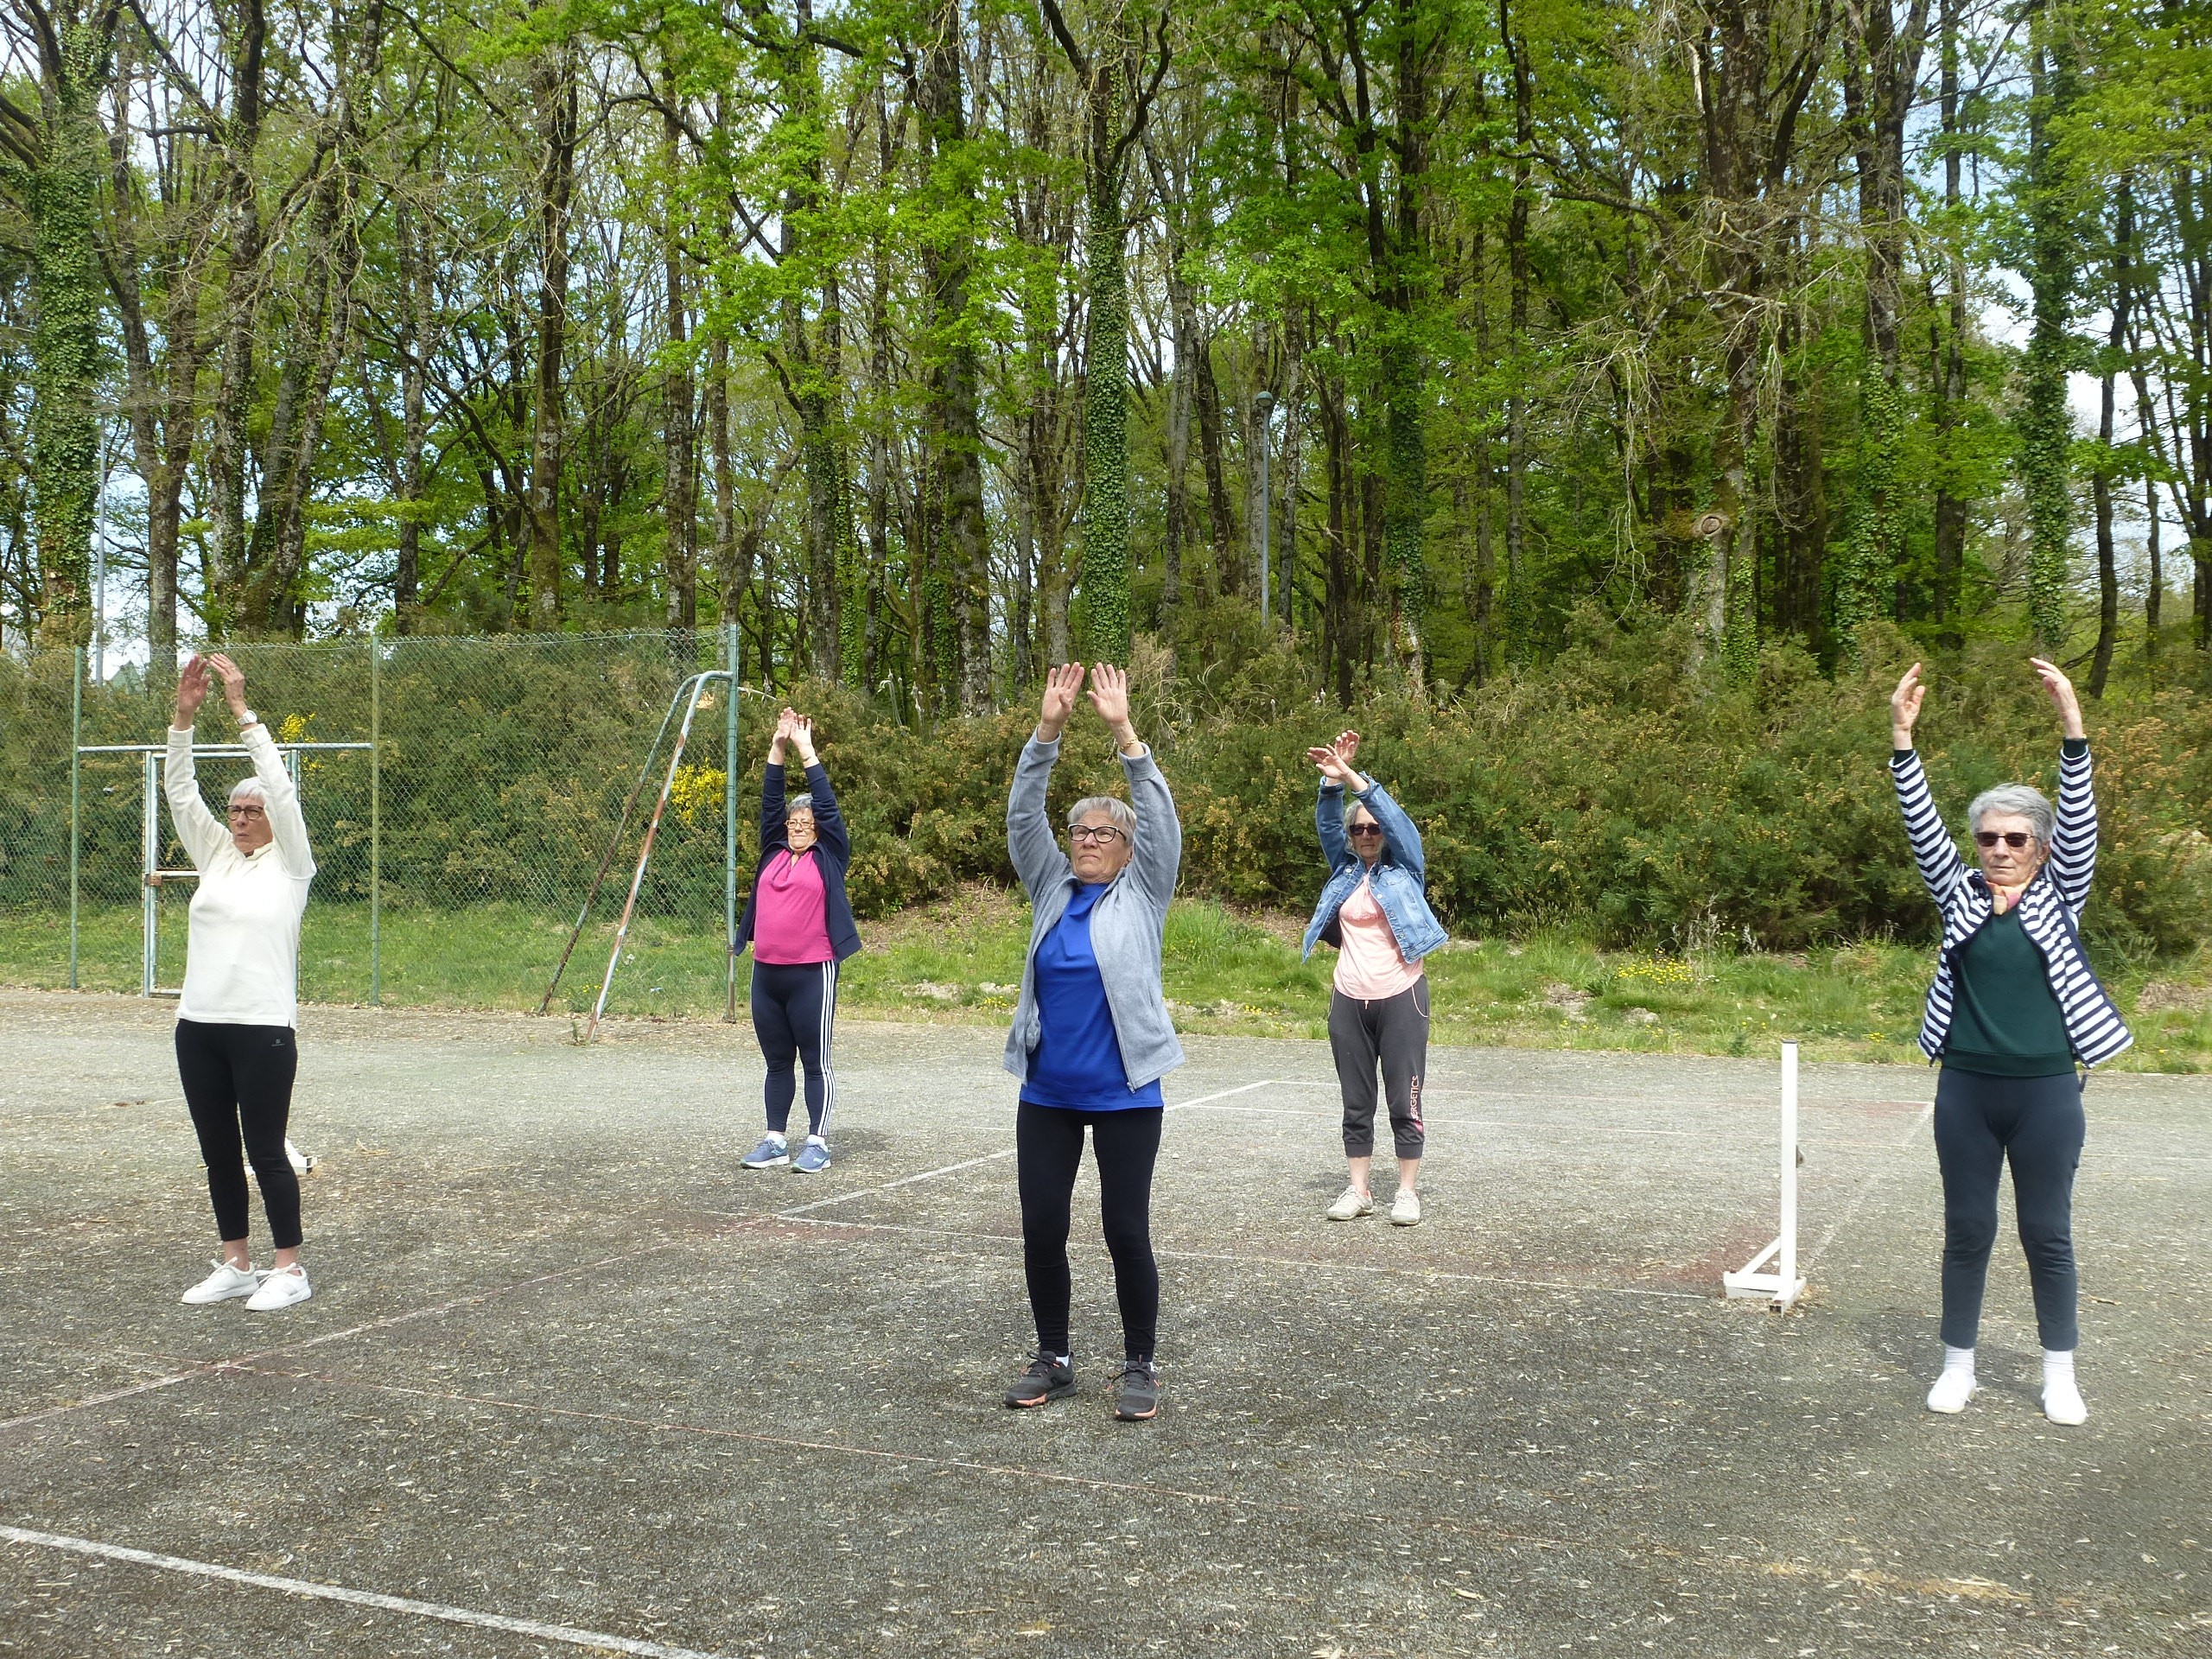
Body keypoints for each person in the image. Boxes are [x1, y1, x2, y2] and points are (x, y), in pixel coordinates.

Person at [1890, 658, 2131, 1427]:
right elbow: (1920, 822)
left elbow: (2082, 819)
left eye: (2015, 837)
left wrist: (2072, 724)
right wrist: (1902, 738)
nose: (1998, 847)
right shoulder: (1959, 890)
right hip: (1964, 1087)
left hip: (2047, 1093)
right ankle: (1957, 1365)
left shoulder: (2062, 892)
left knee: (2047, 1235)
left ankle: (2060, 1374)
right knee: (1967, 1231)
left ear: (2039, 846)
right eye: (1988, 837)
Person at [1001, 663, 1182, 1422]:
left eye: (1101, 833)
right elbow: (1020, 819)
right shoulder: (1052, 887)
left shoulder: (1143, 889)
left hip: (1125, 1093)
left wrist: (1122, 732)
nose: (1084, 841)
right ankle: (1055, 1356)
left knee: (1123, 1229)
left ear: (1126, 846)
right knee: (1042, 1225)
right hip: (1048, 1089)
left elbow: (1161, 815)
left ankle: (1139, 1362)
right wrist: (1047, 730)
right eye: (1078, 831)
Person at [164, 653, 319, 1312]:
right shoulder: (217, 855)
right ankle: (236, 1262)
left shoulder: (293, 867)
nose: (240, 815)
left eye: (251, 808)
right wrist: (184, 717)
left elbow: (280, 792)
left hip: (262, 1030)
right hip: (199, 1026)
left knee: (266, 1151)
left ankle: (289, 1269)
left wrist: (241, 713)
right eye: (235, 808)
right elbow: (180, 792)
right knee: (217, 1154)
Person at [1300, 730, 1449, 1227]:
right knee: (1355, 1099)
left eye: (1372, 829)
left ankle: (1406, 1191)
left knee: (1405, 1096)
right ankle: (1360, 1189)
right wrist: (1330, 787)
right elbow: (1327, 825)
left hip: (1401, 995)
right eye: (1358, 830)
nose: (1366, 835)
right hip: (1349, 998)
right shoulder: (1343, 871)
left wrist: (1354, 780)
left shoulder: (1405, 870)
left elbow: (1399, 824)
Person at [734, 709, 861, 1175]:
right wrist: (777, 747)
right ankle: (774, 1139)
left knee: (814, 1060)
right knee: (775, 1061)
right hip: (767, 972)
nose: (800, 826)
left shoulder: (830, 855)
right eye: (794, 821)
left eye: (808, 821)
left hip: (813, 971)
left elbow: (827, 806)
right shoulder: (773, 851)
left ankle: (817, 1142)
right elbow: (770, 803)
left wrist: (806, 752)